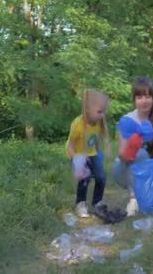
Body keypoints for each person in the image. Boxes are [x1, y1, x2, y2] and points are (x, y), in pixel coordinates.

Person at [112, 76, 153, 216]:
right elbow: (122, 156)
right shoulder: (128, 120)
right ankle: (133, 198)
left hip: (150, 168)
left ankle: (144, 194)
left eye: (148, 96)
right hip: (123, 170)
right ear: (134, 100)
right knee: (140, 153)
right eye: (139, 97)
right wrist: (132, 148)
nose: (144, 101)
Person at [66, 90, 110, 218]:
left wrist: (102, 150)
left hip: (92, 153)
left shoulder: (99, 122)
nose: (102, 115)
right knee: (84, 178)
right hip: (77, 154)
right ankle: (80, 204)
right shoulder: (77, 125)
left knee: (101, 177)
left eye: (104, 111)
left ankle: (97, 203)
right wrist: (77, 161)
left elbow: (98, 137)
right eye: (99, 111)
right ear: (87, 109)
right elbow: (70, 146)